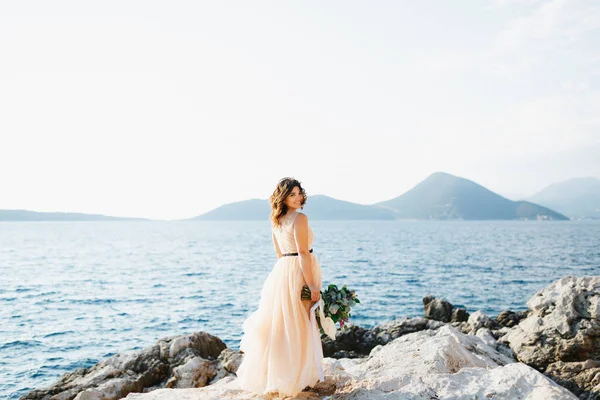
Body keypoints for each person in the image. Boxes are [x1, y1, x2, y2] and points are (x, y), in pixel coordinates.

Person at [236, 177, 324, 397]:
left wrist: (289, 270)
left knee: (283, 325)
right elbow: (303, 252)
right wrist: (312, 283)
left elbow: (279, 253)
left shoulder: (276, 220)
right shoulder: (300, 218)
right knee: (300, 323)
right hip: (300, 272)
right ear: (283, 197)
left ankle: (281, 376)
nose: (297, 198)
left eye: (299, 193)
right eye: (292, 194)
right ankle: (299, 377)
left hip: (282, 270)